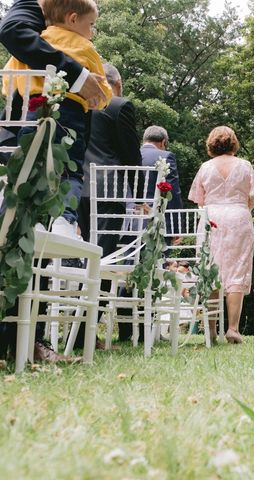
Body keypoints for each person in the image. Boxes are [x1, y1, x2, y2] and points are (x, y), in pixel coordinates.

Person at [3, 0, 112, 236]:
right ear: (73, 19)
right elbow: (102, 92)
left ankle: (32, 219)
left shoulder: (38, 39)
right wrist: (96, 96)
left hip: (30, 115)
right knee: (68, 172)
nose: (92, 32)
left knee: (31, 166)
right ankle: (64, 221)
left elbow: (8, 81)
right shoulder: (84, 48)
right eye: (91, 25)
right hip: (69, 117)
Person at [75, 63, 142, 348]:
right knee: (103, 260)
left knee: (83, 257)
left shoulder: (79, 103)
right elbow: (130, 153)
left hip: (79, 188)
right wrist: (138, 196)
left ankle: (79, 331)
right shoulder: (119, 106)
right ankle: (85, 332)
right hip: (107, 192)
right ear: (118, 82)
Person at [188, 126, 254, 344]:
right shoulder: (245, 166)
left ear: (211, 144)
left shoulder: (205, 167)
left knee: (211, 270)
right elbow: (253, 197)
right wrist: (239, 208)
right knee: (237, 270)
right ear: (234, 143)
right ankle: (233, 329)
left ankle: (210, 329)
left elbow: (200, 200)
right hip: (239, 217)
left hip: (212, 218)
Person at [141, 125, 184, 243]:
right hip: (156, 221)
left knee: (129, 260)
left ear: (144, 140)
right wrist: (176, 227)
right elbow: (173, 192)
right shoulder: (165, 156)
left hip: (129, 220)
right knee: (159, 259)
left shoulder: (129, 155)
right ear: (163, 142)